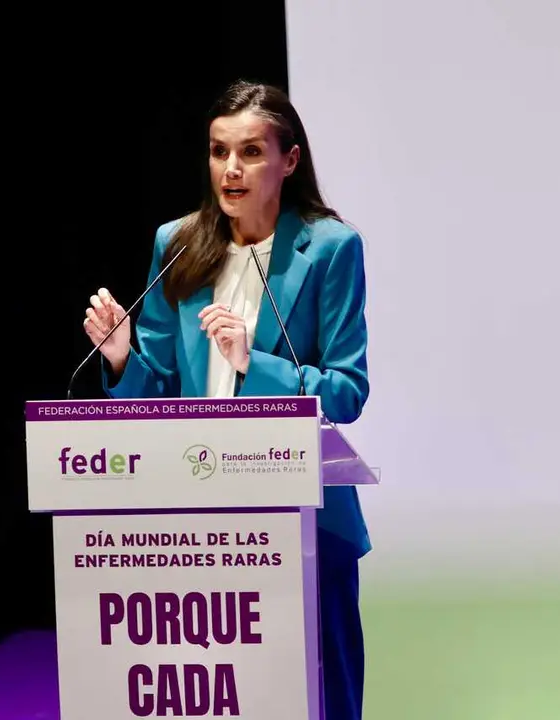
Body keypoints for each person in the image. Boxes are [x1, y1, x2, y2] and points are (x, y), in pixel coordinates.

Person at [82, 80, 370, 720]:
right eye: (218, 152)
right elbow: (158, 387)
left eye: (249, 152)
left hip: (305, 518)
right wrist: (124, 357)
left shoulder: (329, 249)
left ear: (289, 160)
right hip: (202, 517)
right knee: (223, 695)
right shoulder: (177, 243)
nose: (230, 169)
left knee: (325, 696)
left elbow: (347, 392)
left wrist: (255, 365)